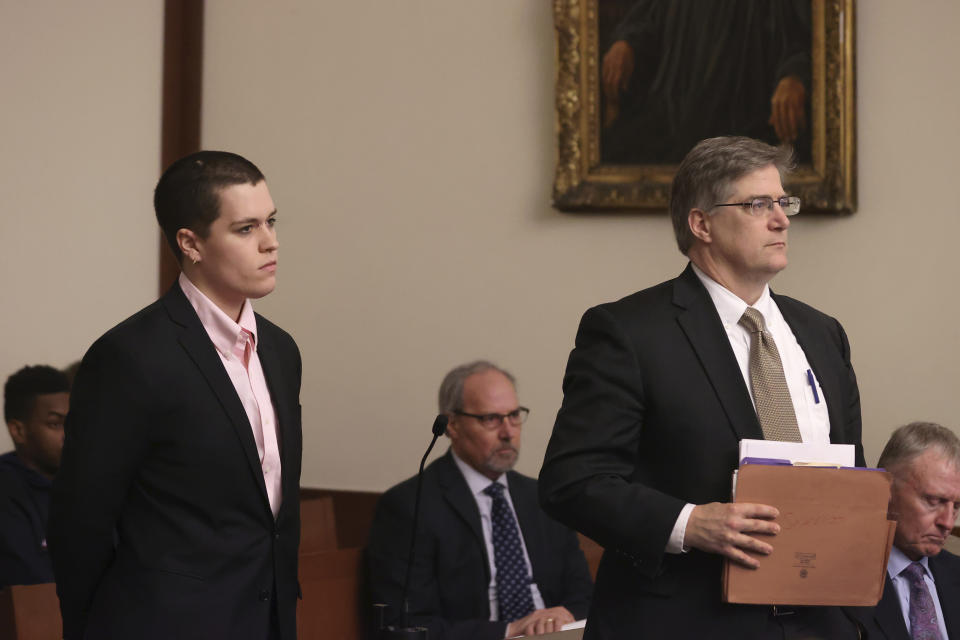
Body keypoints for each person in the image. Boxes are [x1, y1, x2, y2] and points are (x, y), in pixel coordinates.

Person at [539, 136, 863, 639]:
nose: (782, 220)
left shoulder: (823, 334)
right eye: (758, 205)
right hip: (687, 621)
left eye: (784, 203)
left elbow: (851, 475)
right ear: (701, 224)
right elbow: (572, 482)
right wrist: (690, 523)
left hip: (818, 622)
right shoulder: (629, 333)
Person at [48, 151, 302, 640]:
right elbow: (81, 520)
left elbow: (271, 511)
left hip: (267, 619)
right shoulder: (130, 356)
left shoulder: (281, 349)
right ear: (191, 243)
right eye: (246, 228)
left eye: (270, 221)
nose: (271, 242)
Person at [367, 361, 593, 639]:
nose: (508, 432)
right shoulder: (409, 507)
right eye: (491, 419)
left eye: (514, 415)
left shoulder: (542, 498)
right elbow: (405, 625)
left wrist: (564, 616)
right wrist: (510, 630)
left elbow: (585, 597)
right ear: (452, 425)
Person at [600, 0, 811, 163]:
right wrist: (625, 43)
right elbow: (650, 18)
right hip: (672, 111)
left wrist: (793, 75)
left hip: (742, 117)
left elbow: (799, 36)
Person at [848, 422, 960, 639]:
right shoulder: (838, 583)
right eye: (934, 501)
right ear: (885, 491)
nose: (947, 523)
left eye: (956, 507)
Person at [0, 365, 69, 586]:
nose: (69, 435)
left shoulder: (87, 483)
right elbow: (31, 584)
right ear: (18, 431)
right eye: (55, 424)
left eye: (73, 422)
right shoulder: (6, 489)